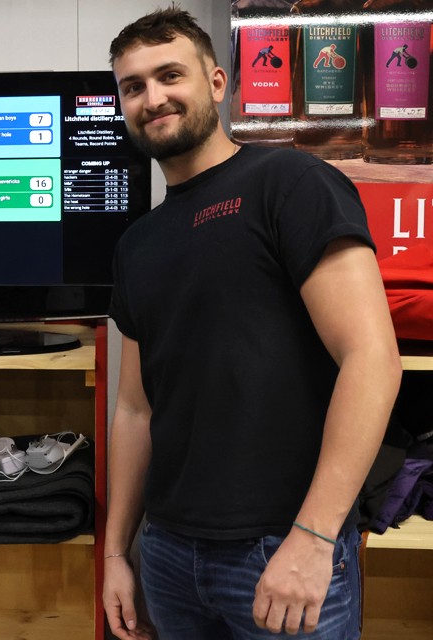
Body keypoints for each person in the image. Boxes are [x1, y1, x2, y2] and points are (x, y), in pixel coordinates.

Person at [102, 7, 401, 640]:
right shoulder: (137, 244)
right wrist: (116, 553)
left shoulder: (290, 182)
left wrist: (314, 538)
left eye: (169, 75)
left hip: (282, 551)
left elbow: (372, 360)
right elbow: (134, 410)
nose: (152, 98)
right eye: (134, 87)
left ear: (216, 83)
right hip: (168, 556)